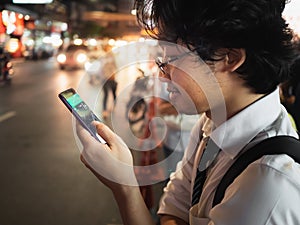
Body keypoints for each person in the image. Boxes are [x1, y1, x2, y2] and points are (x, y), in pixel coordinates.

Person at [76, 0, 300, 224]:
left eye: (170, 60)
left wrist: (124, 185)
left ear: (229, 57)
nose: (162, 76)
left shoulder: (266, 186)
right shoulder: (211, 123)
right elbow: (173, 209)